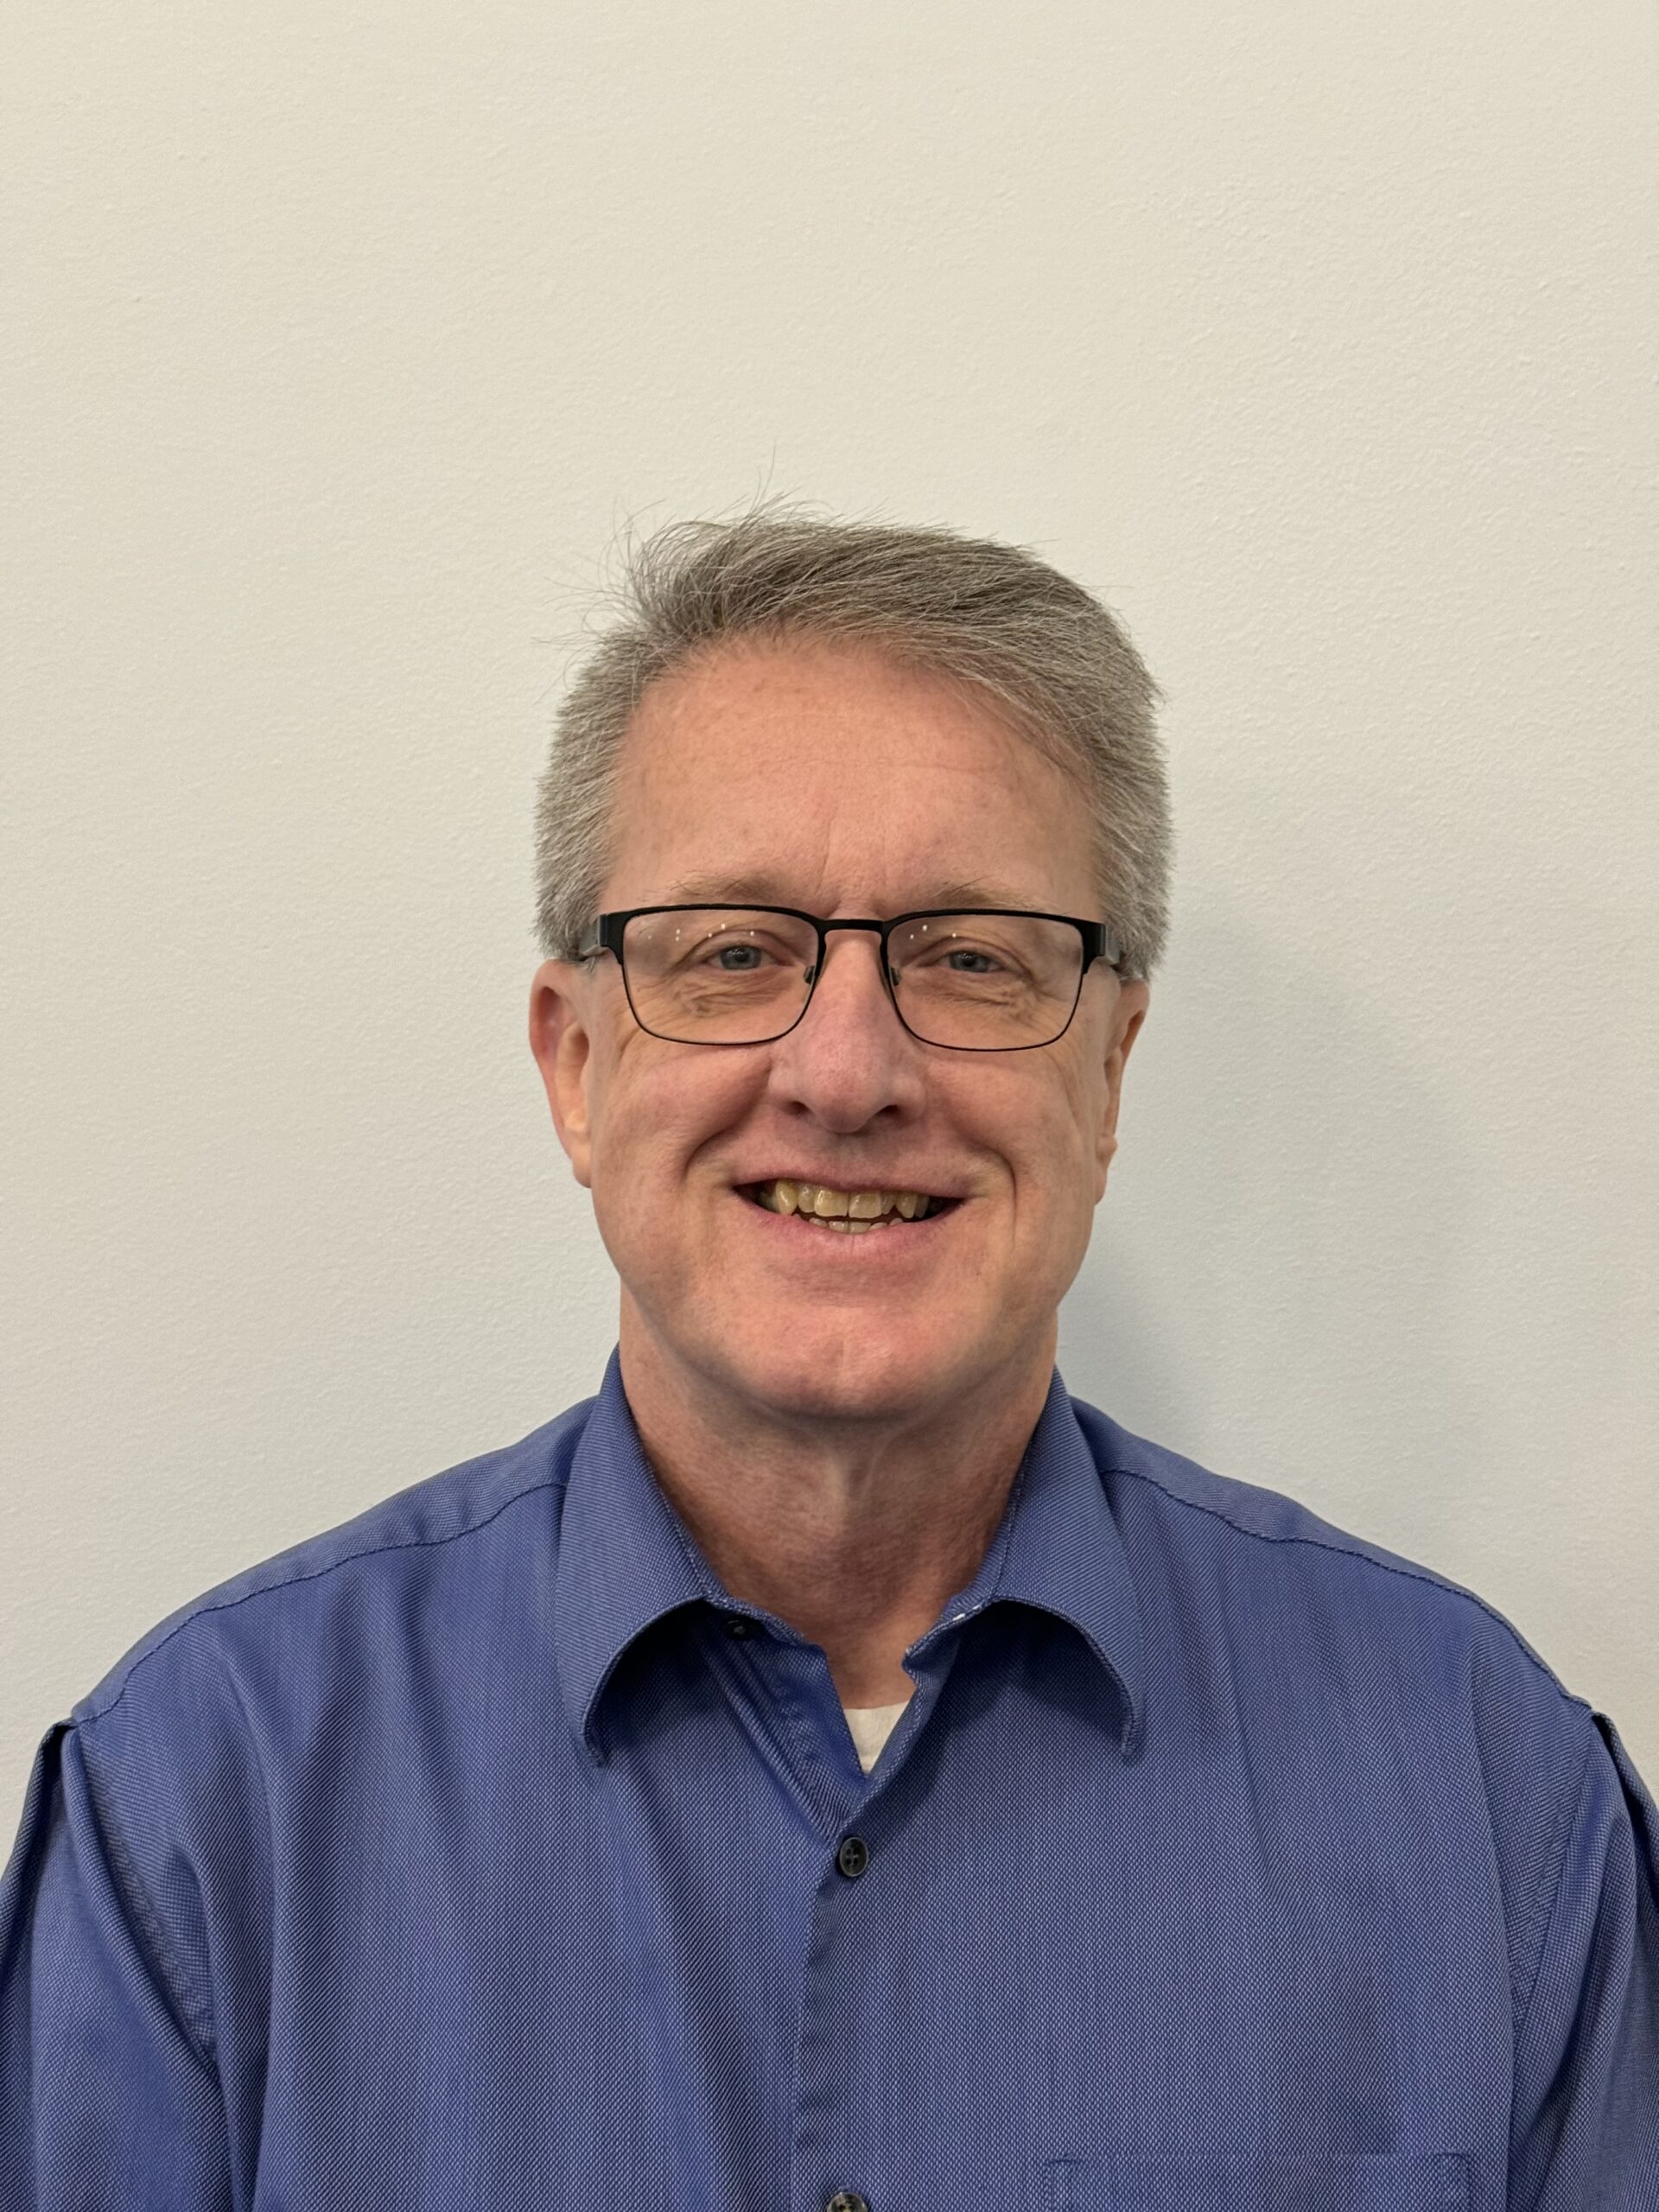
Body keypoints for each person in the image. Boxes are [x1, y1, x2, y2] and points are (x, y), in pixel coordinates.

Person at [2, 510, 1654, 2210]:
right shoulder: (206, 1798)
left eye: (970, 955)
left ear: (1108, 1070)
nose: (848, 1071)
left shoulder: (1485, 1789)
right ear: (575, 1067)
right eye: (733, 951)